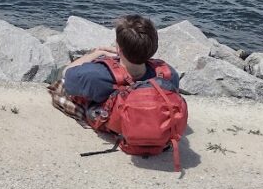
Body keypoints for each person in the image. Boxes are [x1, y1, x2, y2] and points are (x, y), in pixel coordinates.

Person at [50, 14, 181, 125]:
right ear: (154, 48)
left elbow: (66, 74)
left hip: (113, 117)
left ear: (118, 48)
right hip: (148, 119)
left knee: (57, 75)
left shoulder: (95, 75)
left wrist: (96, 53)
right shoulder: (169, 75)